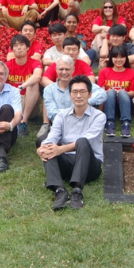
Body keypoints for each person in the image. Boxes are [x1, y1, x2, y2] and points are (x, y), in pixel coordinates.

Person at [38, 75, 105, 210]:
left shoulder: (99, 116)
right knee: (48, 147)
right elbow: (52, 136)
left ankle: (77, 191)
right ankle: (59, 191)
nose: (78, 95)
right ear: (70, 95)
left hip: (90, 165)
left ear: (89, 94)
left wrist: (60, 149)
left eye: (82, 92)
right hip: (68, 162)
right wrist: (42, 149)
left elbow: (87, 141)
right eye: (74, 92)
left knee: (82, 141)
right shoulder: (62, 115)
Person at [40, 56, 106, 145]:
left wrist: (83, 101)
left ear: (73, 69)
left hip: (83, 127)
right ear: (56, 69)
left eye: (67, 69)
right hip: (62, 128)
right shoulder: (49, 90)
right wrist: (74, 109)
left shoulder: (80, 84)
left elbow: (102, 94)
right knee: (41, 142)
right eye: (61, 69)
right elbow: (52, 113)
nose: (64, 72)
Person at [5, 34, 43, 137]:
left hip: (29, 101)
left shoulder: (35, 63)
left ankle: (23, 122)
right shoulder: (8, 65)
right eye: (15, 45)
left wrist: (21, 87)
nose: (19, 47)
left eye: (21, 44)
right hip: (13, 101)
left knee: (33, 84)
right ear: (12, 50)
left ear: (27, 47)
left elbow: (37, 76)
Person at [98, 45, 134, 137]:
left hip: (126, 105)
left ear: (125, 58)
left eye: (121, 57)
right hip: (109, 105)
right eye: (115, 57)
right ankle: (109, 123)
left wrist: (121, 92)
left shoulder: (132, 73)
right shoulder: (104, 72)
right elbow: (101, 92)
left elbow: (132, 93)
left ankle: (126, 124)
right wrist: (112, 91)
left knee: (122, 92)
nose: (118, 60)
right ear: (111, 58)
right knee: (110, 92)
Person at [87, 0, 127, 64]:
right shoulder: (99, 18)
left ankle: (108, 56)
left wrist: (109, 30)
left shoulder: (119, 18)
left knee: (115, 36)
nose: (108, 9)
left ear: (113, 9)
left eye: (110, 7)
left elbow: (123, 29)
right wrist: (103, 27)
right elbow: (94, 29)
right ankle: (102, 55)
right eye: (105, 7)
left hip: (114, 42)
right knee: (99, 35)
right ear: (103, 9)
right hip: (101, 43)